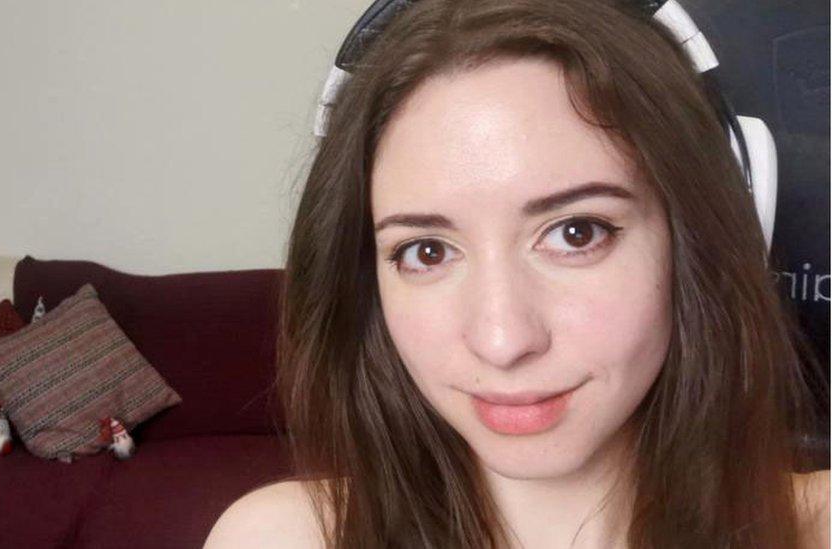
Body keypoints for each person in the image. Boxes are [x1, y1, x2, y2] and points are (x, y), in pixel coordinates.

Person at [204, 0, 830, 547]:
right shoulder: (279, 539)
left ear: (703, 237)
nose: (502, 341)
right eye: (425, 251)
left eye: (575, 233)